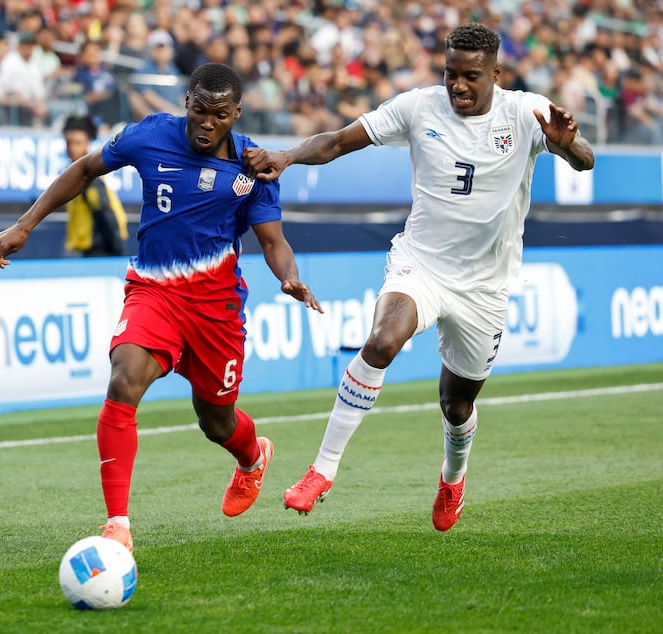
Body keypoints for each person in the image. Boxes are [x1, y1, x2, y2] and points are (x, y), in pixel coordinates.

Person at [243, 22, 595, 532]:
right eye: (451, 73)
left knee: (457, 405)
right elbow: (340, 142)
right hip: (421, 264)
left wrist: (567, 146)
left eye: (471, 76)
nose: (458, 86)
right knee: (383, 340)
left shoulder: (525, 112)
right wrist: (287, 156)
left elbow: (586, 160)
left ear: (495, 74)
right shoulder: (418, 107)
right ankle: (321, 470)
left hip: (485, 285)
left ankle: (453, 477)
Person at [0, 63, 322, 552]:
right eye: (200, 111)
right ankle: (117, 524)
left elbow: (273, 242)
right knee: (123, 379)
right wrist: (25, 225)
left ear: (236, 113)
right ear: (186, 102)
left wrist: (289, 277)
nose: (207, 124)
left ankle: (252, 458)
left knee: (216, 421)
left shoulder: (255, 169)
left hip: (215, 311)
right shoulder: (149, 135)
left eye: (220, 115)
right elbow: (84, 169)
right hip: (154, 291)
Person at [61, 113, 128, 256]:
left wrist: (115, 247)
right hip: (89, 245)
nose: (72, 148)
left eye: (78, 143)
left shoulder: (89, 177)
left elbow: (104, 212)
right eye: (69, 143)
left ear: (88, 143)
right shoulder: (77, 173)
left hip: (100, 246)